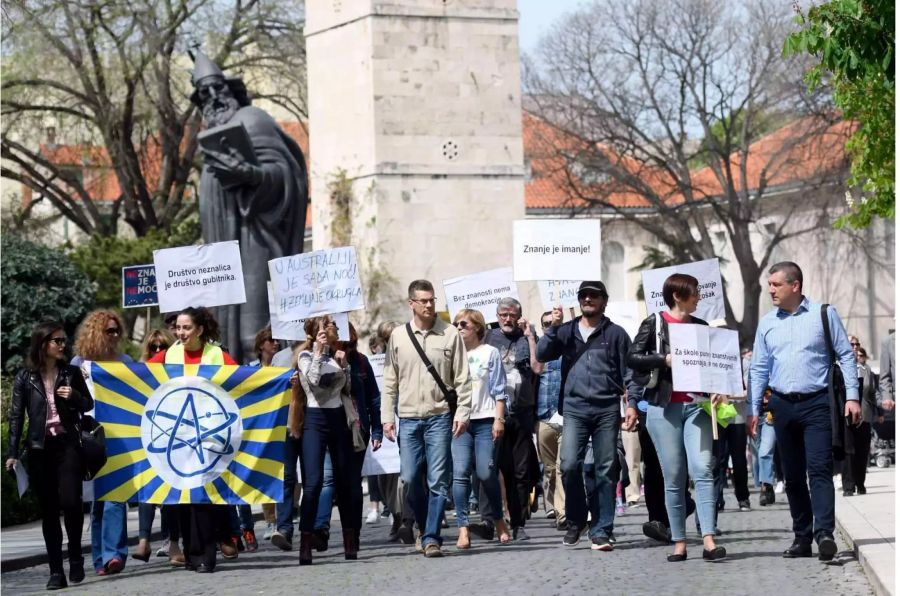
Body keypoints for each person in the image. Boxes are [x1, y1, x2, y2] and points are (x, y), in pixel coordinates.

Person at [190, 50, 308, 361]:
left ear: (233, 90)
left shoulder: (252, 119)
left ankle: (268, 384)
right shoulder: (211, 135)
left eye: (220, 88)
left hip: (254, 241)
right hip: (223, 247)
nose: (215, 97)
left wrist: (250, 175)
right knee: (224, 329)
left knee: (253, 333)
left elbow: (284, 172)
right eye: (206, 93)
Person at [748, 262, 861, 562]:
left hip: (816, 403)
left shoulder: (823, 314)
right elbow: (758, 367)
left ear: (794, 285)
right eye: (769, 284)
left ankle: (824, 533)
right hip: (782, 405)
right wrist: (753, 408)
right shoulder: (767, 323)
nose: (770, 289)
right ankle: (802, 536)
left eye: (776, 284)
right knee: (794, 476)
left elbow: (846, 356)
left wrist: (852, 397)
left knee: (820, 470)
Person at [627, 273, 726, 562]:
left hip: (697, 407)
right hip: (663, 407)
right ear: (677, 296)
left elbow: (715, 365)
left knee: (703, 468)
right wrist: (664, 359)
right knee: (673, 476)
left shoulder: (701, 326)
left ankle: (709, 539)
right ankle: (679, 542)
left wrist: (719, 390)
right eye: (694, 292)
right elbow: (633, 359)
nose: (698, 297)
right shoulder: (654, 323)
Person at [537, 281, 635, 552]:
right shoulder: (566, 331)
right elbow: (541, 354)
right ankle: (576, 520)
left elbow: (630, 372)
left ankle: (602, 529)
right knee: (568, 465)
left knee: (606, 470)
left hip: (606, 410)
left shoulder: (615, 334)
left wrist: (632, 404)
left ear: (604, 300)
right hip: (575, 410)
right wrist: (553, 327)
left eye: (594, 295)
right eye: (584, 296)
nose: (588, 299)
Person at [381, 279, 472, 558]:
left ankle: (432, 537)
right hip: (408, 418)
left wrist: (463, 412)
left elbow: (463, 378)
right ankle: (423, 525)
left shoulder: (450, 334)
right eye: (424, 301)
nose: (430, 305)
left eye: (432, 300)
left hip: (439, 417)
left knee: (438, 481)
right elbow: (389, 381)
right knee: (408, 479)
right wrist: (387, 417)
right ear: (412, 303)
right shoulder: (398, 336)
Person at [148, 307, 240, 572]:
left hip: (210, 436)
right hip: (180, 437)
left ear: (199, 329)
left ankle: (207, 555)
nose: (180, 332)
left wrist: (280, 380)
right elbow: (137, 374)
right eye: (178, 327)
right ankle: (192, 554)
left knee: (203, 495)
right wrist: (96, 372)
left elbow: (245, 380)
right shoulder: (170, 354)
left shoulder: (217, 355)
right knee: (185, 499)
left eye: (186, 328)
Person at [7, 322, 93, 590]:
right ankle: (56, 571)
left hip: (67, 444)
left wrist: (75, 395)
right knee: (49, 511)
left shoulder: (70, 372)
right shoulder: (25, 377)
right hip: (39, 449)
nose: (62, 345)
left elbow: (88, 404)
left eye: (63, 341)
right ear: (43, 343)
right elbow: (16, 416)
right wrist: (11, 453)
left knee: (70, 502)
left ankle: (76, 556)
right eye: (57, 341)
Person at [291, 315, 363, 565]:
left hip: (337, 419)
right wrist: (319, 352)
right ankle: (306, 541)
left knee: (345, 483)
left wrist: (344, 367)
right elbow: (313, 381)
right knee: (314, 484)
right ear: (314, 332)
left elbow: (346, 389)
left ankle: (349, 539)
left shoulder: (338, 356)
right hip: (314, 419)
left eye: (331, 326)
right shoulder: (305, 356)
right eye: (325, 326)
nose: (330, 329)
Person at [70, 310, 133, 577]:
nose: (115, 335)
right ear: (96, 332)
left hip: (120, 438)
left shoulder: (126, 361)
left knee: (116, 497)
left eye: (117, 330)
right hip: (90, 439)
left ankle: (114, 554)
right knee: (98, 501)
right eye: (110, 331)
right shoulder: (78, 364)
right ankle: (99, 559)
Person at [452, 309, 511, 548]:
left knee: (486, 473)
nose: (458, 328)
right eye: (455, 324)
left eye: (463, 323)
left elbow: (499, 389)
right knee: (460, 474)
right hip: (460, 421)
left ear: (477, 327)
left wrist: (499, 419)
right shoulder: (452, 354)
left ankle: (497, 519)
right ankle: (463, 528)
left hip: (486, 418)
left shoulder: (490, 353)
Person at [484, 297, 542, 541]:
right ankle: (490, 520)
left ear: (519, 316)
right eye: (503, 315)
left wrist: (529, 337)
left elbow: (538, 368)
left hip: (521, 412)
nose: (508, 319)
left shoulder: (528, 336)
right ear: (497, 316)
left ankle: (518, 523)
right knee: (488, 468)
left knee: (518, 472)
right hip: (492, 413)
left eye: (512, 315)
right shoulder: (487, 337)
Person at [133, 329, 185, 566]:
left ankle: (173, 542)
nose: (157, 352)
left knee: (172, 495)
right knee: (147, 490)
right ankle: (143, 540)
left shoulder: (179, 372)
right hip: (149, 439)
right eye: (153, 348)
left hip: (175, 440)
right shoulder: (140, 374)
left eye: (161, 348)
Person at [342, 323, 384, 549]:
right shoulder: (323, 359)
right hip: (330, 428)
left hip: (358, 429)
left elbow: (374, 398)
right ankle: (322, 527)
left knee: (353, 482)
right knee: (333, 481)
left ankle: (353, 533)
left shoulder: (360, 361)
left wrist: (377, 429)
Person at [535, 311, 566, 529]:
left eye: (552, 323)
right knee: (549, 468)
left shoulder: (567, 346)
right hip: (544, 416)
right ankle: (553, 505)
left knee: (562, 465)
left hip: (565, 414)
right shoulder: (539, 348)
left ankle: (563, 512)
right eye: (546, 324)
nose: (549, 326)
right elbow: (535, 369)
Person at [841, 339, 878, 496]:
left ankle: (860, 483)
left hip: (865, 415)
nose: (855, 347)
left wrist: (877, 412)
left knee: (863, 451)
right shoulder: (839, 368)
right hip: (847, 416)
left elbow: (873, 393)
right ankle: (848, 486)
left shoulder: (866, 369)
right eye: (851, 345)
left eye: (857, 345)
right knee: (848, 450)